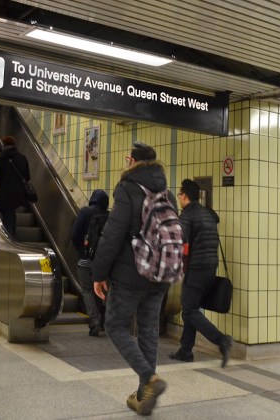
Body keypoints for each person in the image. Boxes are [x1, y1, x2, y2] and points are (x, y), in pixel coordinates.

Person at [92, 142, 169, 416]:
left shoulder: (127, 188)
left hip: (131, 274)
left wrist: (99, 273)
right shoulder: (166, 192)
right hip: (160, 274)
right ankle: (142, 398)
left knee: (114, 325)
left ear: (132, 161)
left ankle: (149, 379)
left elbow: (113, 234)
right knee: (148, 331)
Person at [169, 179, 233, 367]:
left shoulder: (187, 216)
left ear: (185, 196)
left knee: (188, 310)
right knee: (192, 306)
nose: (179, 198)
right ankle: (185, 350)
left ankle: (222, 340)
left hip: (195, 269)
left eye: (180, 195)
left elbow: (183, 245)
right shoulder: (208, 214)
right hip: (210, 268)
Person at [71, 189, 109, 337]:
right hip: (104, 262)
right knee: (103, 289)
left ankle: (94, 321)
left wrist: (82, 250)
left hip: (85, 260)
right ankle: (106, 319)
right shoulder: (108, 216)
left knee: (87, 290)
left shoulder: (85, 212)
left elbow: (75, 235)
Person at [0, 135, 30, 237]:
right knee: (11, 212)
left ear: (3, 144)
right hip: (18, 192)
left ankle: (10, 238)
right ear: (14, 144)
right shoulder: (22, 158)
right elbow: (27, 176)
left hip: (5, 192)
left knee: (7, 214)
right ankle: (12, 235)